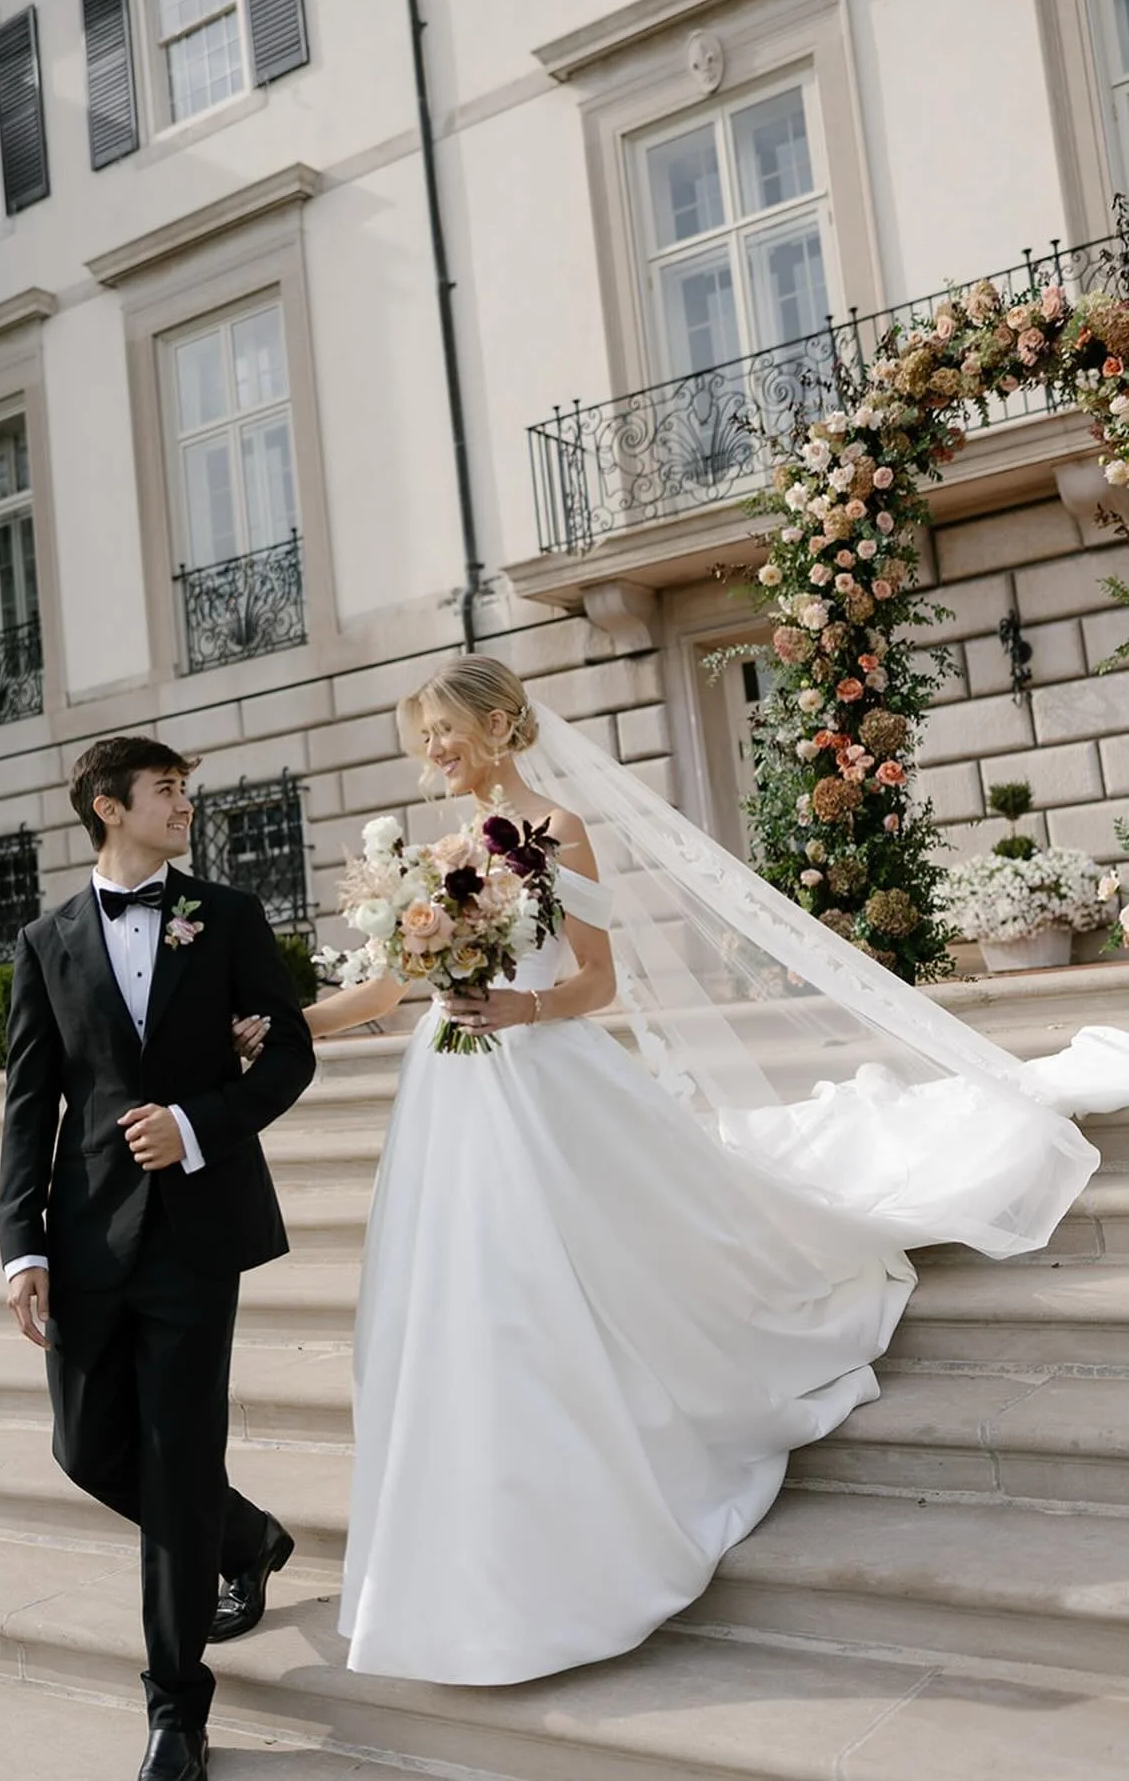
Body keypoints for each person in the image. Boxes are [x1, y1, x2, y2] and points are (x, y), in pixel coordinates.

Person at [239, 655, 1119, 1687]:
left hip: (542, 1072)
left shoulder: (557, 829)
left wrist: (524, 1005)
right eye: (422, 735)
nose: (431, 749)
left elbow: (597, 981)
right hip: (448, 1091)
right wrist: (285, 1025)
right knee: (467, 1294)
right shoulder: (433, 855)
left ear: (498, 724)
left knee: (568, 1274)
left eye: (443, 728)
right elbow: (394, 984)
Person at [0, 736, 315, 1781]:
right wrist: (21, 1243)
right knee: (86, 1449)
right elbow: (29, 1106)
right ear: (108, 806)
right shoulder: (43, 940)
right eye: (166, 790)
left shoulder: (227, 915)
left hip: (195, 1233)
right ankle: (244, 1535)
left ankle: (175, 1710)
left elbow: (290, 1054)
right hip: (86, 1233)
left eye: (185, 790)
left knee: (177, 1460)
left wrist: (194, 1123)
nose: (184, 805)